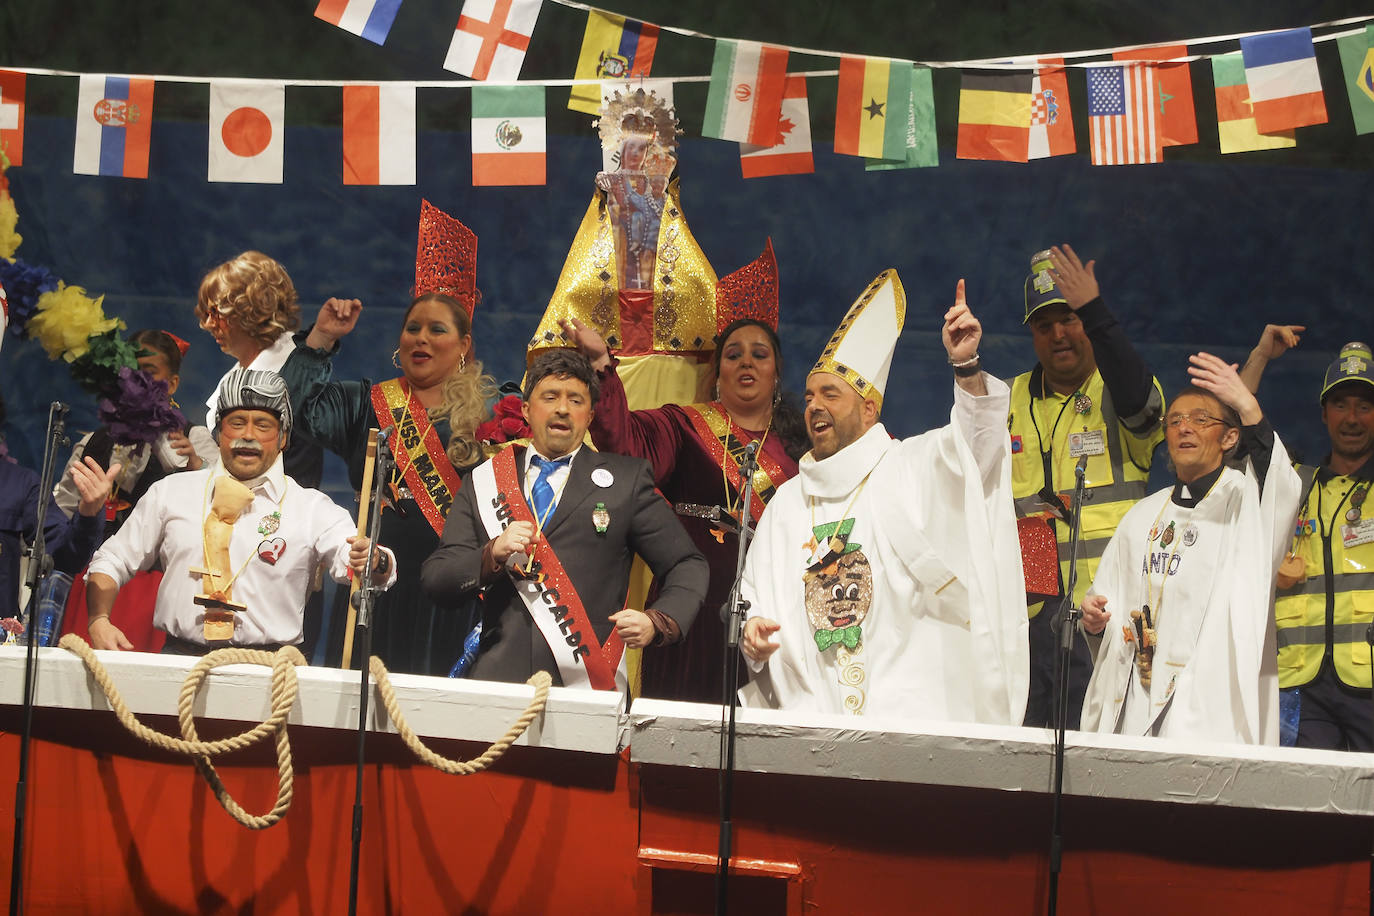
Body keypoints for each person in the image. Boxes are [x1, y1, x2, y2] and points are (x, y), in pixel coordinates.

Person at [739, 271, 1027, 723]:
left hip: (911, 715)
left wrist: (966, 368)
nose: (814, 405)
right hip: (812, 718)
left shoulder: (911, 465)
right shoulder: (787, 503)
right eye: (810, 395)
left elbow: (977, 452)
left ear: (869, 409)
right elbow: (753, 598)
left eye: (831, 394)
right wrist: (751, 630)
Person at [561, 244, 808, 703]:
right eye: (733, 354)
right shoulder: (683, 425)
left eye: (760, 355)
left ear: (777, 375)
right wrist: (600, 365)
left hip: (774, 615)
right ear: (717, 374)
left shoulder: (802, 453)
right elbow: (625, 444)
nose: (747, 363)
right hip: (687, 606)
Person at [280, 204, 496, 675]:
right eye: (412, 328)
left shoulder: (493, 417)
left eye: (437, 330)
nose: (420, 338)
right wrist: (319, 338)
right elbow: (291, 409)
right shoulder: (366, 402)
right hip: (377, 577)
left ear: (463, 347)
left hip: (454, 587)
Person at [421, 349, 709, 691]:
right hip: (498, 683)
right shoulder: (485, 481)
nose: (562, 408)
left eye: (575, 400)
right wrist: (492, 553)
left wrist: (658, 620)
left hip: (588, 686)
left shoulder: (625, 481)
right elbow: (438, 579)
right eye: (550, 397)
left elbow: (687, 563)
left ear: (589, 416)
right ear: (527, 410)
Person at [84, 368, 394, 654]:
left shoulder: (312, 508)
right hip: (179, 661)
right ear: (219, 434)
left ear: (283, 437)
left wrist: (374, 560)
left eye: (263, 425)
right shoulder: (171, 493)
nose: (248, 435)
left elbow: (355, 560)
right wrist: (98, 618)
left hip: (270, 671)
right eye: (236, 423)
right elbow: (112, 557)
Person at [1079, 354, 1302, 743]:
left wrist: (1247, 406)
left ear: (1230, 437)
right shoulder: (1142, 516)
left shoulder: (1244, 504)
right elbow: (1106, 602)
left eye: (1200, 420)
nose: (1184, 428)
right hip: (1137, 697)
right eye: (1176, 420)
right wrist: (1096, 621)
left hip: (1209, 705)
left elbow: (1280, 491)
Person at [1009, 245, 1166, 729]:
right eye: (1044, 325)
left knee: (1098, 759)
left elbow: (1142, 404)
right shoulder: (1012, 397)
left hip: (1105, 612)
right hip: (1030, 615)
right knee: (1027, 758)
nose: (1058, 333)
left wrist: (1096, 312)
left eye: (1071, 319)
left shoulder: (1118, 389)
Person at [1244, 335, 1374, 751]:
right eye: (1340, 404)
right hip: (1302, 685)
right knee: (1303, 805)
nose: (1352, 417)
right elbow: (1238, 432)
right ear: (1323, 413)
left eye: (1365, 406)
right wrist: (1261, 355)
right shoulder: (1294, 484)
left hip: (1370, 682)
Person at [54, 329, 219, 651]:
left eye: (150, 375)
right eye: (132, 373)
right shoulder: (95, 441)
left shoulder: (194, 440)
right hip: (91, 582)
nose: (138, 383)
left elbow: (223, 510)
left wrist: (195, 467)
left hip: (156, 584)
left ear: (171, 384)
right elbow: (62, 510)